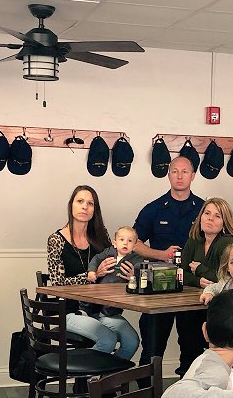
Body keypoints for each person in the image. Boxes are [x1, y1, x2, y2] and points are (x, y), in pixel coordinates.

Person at [46, 186, 137, 358]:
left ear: (95, 209)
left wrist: (131, 275)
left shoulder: (101, 236)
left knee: (132, 341)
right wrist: (91, 275)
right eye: (80, 201)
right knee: (108, 339)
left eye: (90, 203)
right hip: (70, 311)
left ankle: (106, 374)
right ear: (71, 205)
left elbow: (115, 270)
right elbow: (57, 283)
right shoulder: (56, 240)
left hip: (101, 310)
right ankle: (84, 375)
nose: (85, 207)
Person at [133, 156, 204, 373]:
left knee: (192, 348)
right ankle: (146, 392)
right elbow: (133, 243)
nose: (179, 176)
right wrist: (161, 255)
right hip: (159, 286)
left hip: (191, 287)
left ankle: (187, 391)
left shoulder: (203, 210)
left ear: (193, 176)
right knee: (152, 348)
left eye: (185, 172)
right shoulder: (154, 209)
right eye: (175, 171)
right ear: (168, 175)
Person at [83, 225, 141, 360]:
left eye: (130, 241)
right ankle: (84, 311)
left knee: (131, 340)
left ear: (134, 245)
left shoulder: (136, 259)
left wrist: (135, 276)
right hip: (99, 292)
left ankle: (111, 370)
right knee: (88, 299)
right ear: (115, 243)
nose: (125, 243)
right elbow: (96, 259)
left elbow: (141, 272)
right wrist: (92, 272)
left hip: (115, 300)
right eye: (122, 240)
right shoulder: (108, 252)